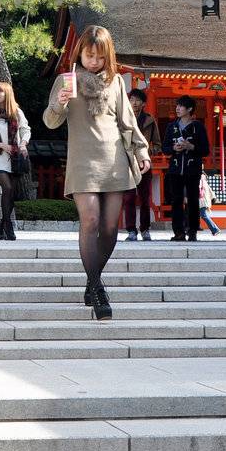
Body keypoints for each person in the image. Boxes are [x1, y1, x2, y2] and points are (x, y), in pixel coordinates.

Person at [43, 24, 150, 322]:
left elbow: (127, 122)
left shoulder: (115, 82)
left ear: (108, 57)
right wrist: (59, 103)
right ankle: (98, 288)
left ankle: (92, 280)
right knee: (89, 220)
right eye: (89, 56)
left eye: (99, 57)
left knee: (110, 228)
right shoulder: (68, 80)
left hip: (114, 159)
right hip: (83, 162)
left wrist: (141, 151)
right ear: (81, 53)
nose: (94, 62)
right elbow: (51, 121)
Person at [0, 82, 31, 241]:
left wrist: (23, 143)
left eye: (0, 92)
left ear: (7, 94)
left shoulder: (16, 112)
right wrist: (1, 145)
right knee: (7, 186)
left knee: (11, 191)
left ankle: (1, 227)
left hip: (15, 156)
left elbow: (26, 129)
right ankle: (9, 225)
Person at [162, 95, 210, 241]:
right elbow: (165, 148)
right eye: (177, 105)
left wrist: (191, 147)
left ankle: (193, 230)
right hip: (176, 169)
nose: (177, 108)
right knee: (176, 200)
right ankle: (178, 232)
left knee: (193, 199)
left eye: (181, 106)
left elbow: (206, 150)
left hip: (192, 169)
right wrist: (174, 148)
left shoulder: (198, 127)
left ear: (189, 109)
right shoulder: (172, 127)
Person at [122, 88, 159, 242]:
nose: (134, 103)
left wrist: (147, 153)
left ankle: (145, 229)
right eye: (132, 100)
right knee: (129, 198)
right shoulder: (123, 119)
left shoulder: (150, 120)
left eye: (138, 100)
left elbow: (157, 143)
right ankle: (131, 230)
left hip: (145, 164)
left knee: (145, 198)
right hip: (127, 163)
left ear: (143, 103)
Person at [196, 171, 221, 235]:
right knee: (200, 215)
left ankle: (215, 229)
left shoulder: (199, 180)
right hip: (205, 201)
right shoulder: (204, 181)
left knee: (204, 215)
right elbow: (211, 191)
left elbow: (198, 189)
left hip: (202, 201)